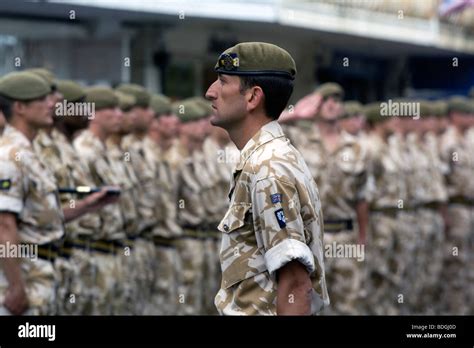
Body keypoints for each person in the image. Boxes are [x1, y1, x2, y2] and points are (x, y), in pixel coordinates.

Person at [205, 42, 329, 315]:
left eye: (222, 82)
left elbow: (296, 285)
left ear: (252, 97)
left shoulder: (267, 169)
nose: (210, 92)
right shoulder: (267, 158)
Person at [0, 72, 116, 315]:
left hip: (42, 273)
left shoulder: (27, 153)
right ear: (20, 107)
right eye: (42, 100)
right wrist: (15, 286)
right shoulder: (9, 156)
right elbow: (4, 225)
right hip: (24, 276)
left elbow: (40, 218)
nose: (52, 104)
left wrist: (87, 205)